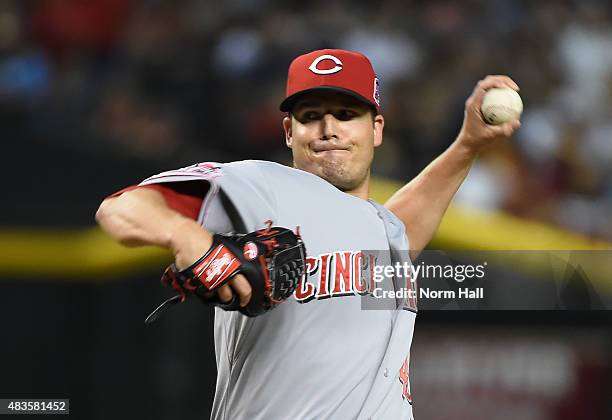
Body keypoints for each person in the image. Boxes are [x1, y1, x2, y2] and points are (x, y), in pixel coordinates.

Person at [95, 49, 520, 419]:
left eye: (346, 114)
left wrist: (467, 143)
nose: (328, 129)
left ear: (376, 129)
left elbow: (403, 225)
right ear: (288, 132)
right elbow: (121, 208)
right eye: (311, 116)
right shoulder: (258, 185)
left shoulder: (383, 229)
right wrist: (186, 236)